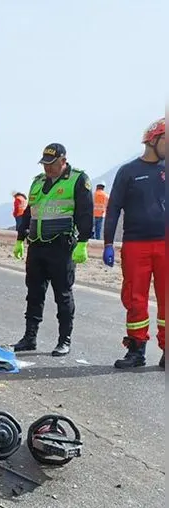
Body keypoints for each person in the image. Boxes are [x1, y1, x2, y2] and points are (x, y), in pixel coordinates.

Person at [11, 143, 94, 356]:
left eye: (52, 164)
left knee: (62, 295)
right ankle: (30, 337)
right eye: (45, 164)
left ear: (63, 161)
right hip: (37, 245)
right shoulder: (37, 183)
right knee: (34, 293)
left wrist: (83, 241)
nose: (47, 168)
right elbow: (30, 211)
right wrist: (20, 237)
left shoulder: (77, 179)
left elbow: (85, 212)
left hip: (61, 246)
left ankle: (64, 340)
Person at [103, 117, 166, 369]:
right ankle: (136, 350)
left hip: (165, 245)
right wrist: (108, 242)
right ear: (153, 140)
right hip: (135, 245)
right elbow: (114, 207)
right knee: (135, 298)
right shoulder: (128, 172)